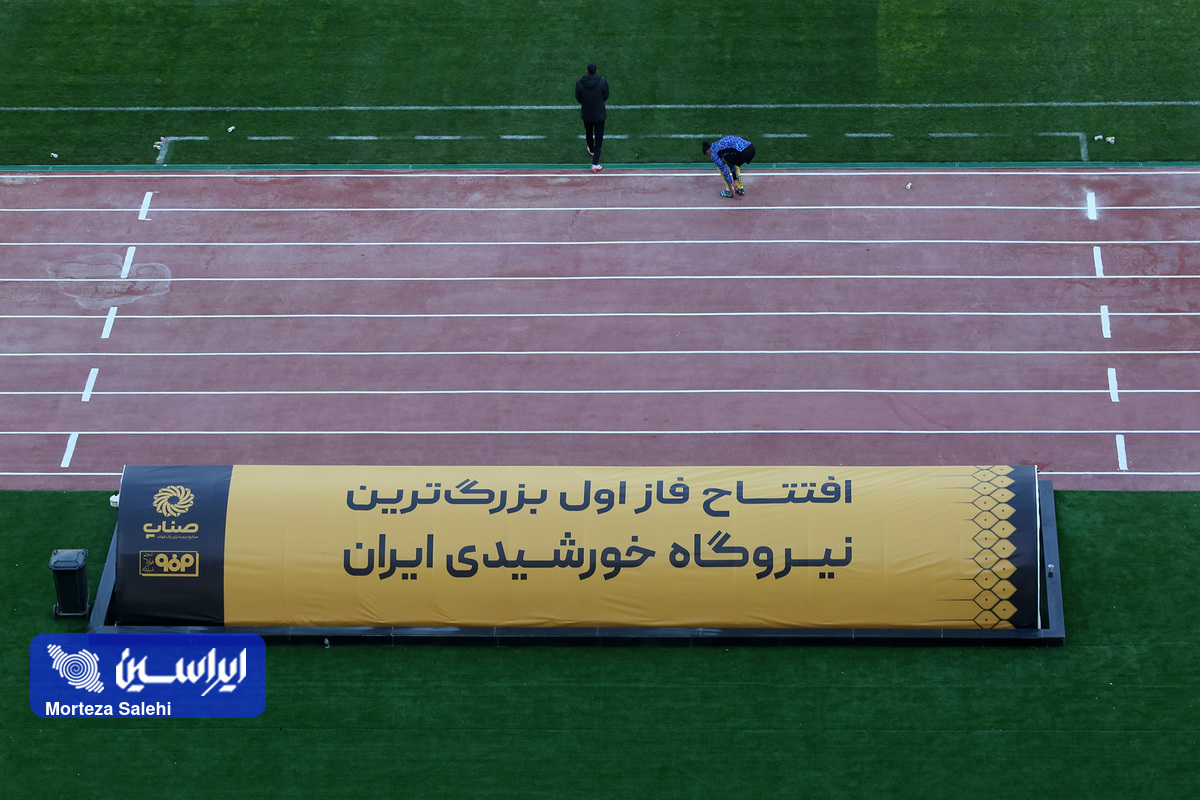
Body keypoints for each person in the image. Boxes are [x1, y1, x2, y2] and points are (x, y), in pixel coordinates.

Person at [575, 63, 609, 172]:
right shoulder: (602, 82)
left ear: (587, 71)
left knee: (588, 132)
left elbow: (578, 98)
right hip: (599, 114)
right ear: (596, 71)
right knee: (599, 137)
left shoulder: (580, 83)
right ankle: (595, 163)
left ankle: (591, 149)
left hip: (587, 113)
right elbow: (606, 96)